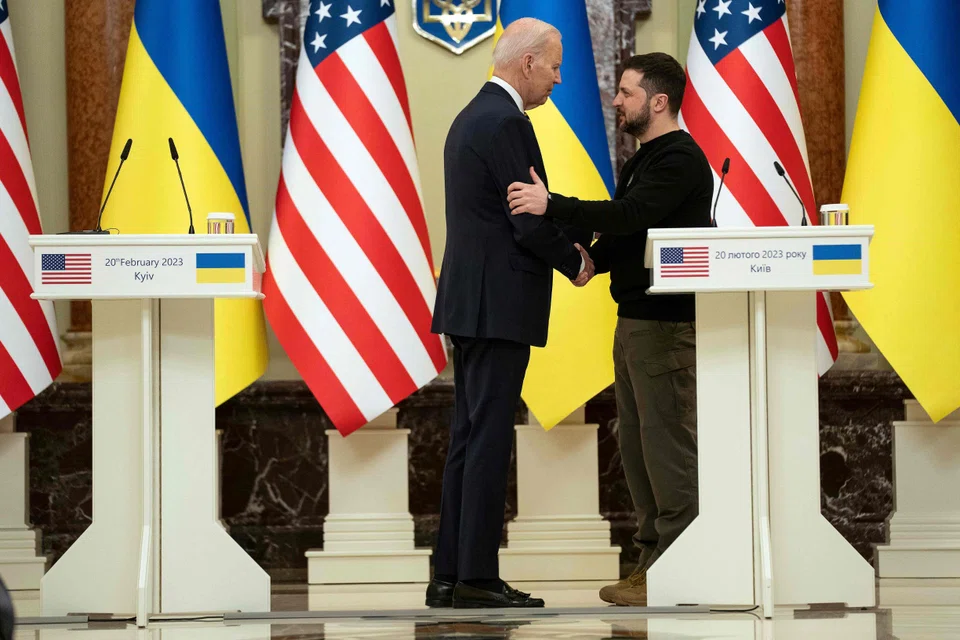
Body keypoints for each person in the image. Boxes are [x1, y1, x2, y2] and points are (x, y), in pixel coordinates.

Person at [506, 52, 713, 607]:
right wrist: (592, 261)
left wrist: (553, 207)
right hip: (637, 322)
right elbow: (630, 233)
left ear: (659, 101)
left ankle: (678, 565)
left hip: (667, 328)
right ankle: (652, 562)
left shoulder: (680, 159)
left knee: (667, 451)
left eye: (625, 92)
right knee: (640, 447)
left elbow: (630, 215)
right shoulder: (646, 157)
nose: (616, 101)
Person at [427, 18, 594, 609]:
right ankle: (476, 577)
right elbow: (527, 219)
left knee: (468, 438)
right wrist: (575, 260)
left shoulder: (471, 115)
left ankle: (449, 574)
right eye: (553, 64)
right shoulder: (507, 122)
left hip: (471, 302)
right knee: (488, 437)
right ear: (527, 63)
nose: (557, 76)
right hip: (498, 303)